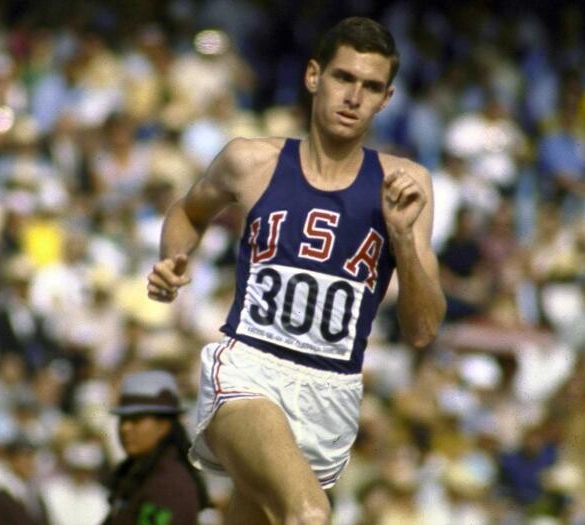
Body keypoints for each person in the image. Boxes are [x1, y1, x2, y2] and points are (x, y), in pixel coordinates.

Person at [147, 16, 445, 524]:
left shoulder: (405, 184)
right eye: (343, 77)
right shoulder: (251, 160)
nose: (354, 97)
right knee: (308, 513)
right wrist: (173, 259)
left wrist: (400, 238)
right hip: (249, 369)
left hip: (333, 390)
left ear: (386, 99)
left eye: (371, 87)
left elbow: (423, 329)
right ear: (313, 76)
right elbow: (188, 212)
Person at [102, 370, 209, 525]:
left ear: (163, 426)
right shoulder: (140, 473)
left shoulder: (168, 485)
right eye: (123, 419)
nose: (125, 428)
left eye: (136, 420)